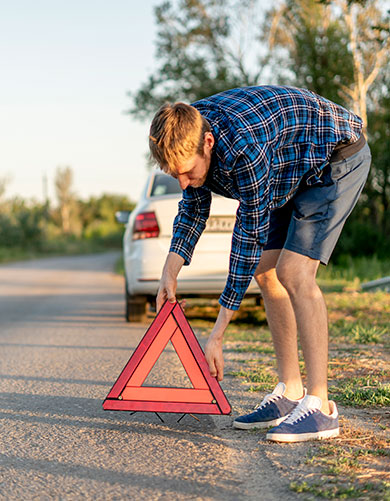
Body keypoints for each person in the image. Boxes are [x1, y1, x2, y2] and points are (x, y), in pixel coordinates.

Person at [149, 85, 371, 443]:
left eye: (187, 172)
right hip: (287, 166)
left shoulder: (244, 149)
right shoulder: (186, 130)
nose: (183, 182)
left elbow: (247, 239)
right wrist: (168, 275)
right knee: (266, 271)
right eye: (174, 174)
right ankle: (291, 391)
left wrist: (218, 333)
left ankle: (321, 406)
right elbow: (192, 210)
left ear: (208, 142)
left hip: (335, 156)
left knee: (294, 272)